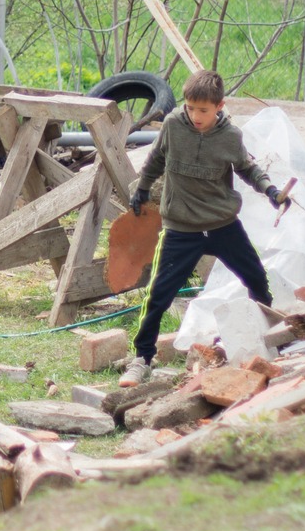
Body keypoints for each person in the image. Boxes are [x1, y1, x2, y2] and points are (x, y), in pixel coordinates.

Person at [118, 68, 289, 387]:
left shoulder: (230, 137)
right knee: (158, 295)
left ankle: (270, 344)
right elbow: (156, 158)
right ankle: (141, 358)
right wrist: (142, 188)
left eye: (204, 110)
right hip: (181, 228)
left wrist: (270, 191)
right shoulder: (173, 125)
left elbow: (248, 168)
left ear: (219, 107)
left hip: (222, 224)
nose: (195, 116)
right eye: (191, 108)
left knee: (257, 281)